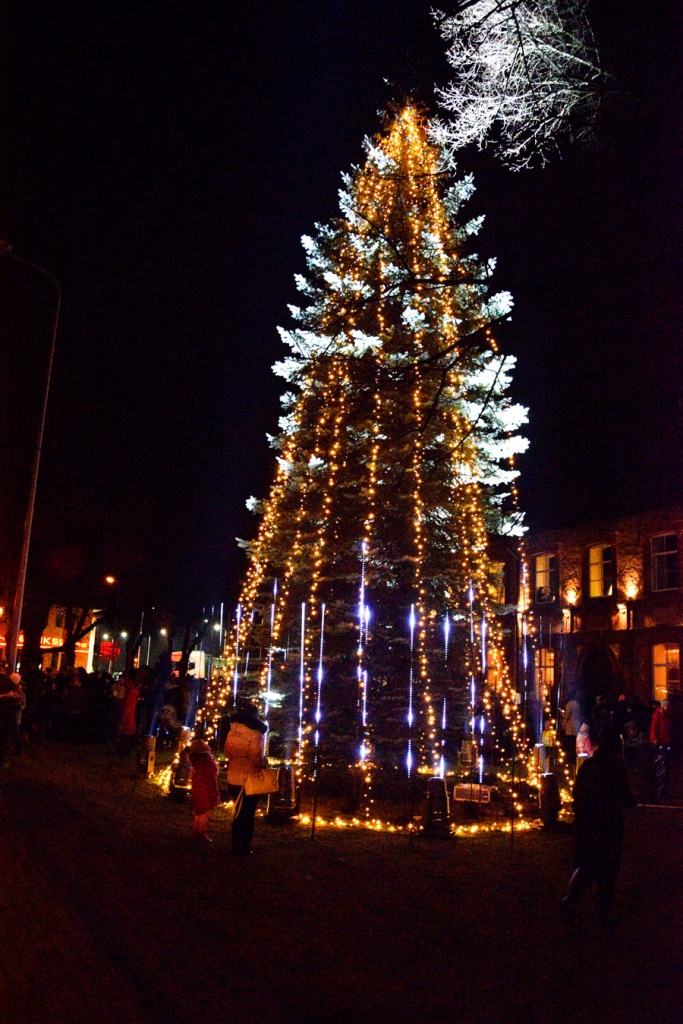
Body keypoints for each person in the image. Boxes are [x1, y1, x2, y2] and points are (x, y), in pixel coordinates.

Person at [561, 727, 635, 930]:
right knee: (607, 872)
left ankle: (571, 900)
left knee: (587, 867)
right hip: (608, 826)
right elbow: (623, 796)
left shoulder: (588, 766)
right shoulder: (615, 768)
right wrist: (630, 802)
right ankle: (601, 913)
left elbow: (578, 796)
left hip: (588, 825)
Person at [224, 700, 268, 855]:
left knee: (238, 813)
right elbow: (256, 758)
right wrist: (263, 761)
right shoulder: (255, 735)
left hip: (233, 777)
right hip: (248, 779)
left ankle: (236, 843)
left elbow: (227, 752)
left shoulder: (232, 731)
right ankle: (244, 846)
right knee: (248, 815)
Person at [187, 738, 221, 842]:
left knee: (198, 812)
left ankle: (196, 830)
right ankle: (201, 833)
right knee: (203, 814)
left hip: (197, 789)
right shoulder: (208, 764)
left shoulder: (195, 763)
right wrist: (214, 794)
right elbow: (210, 781)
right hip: (206, 791)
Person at [650, 699, 673, 801]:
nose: (667, 708)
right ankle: (659, 792)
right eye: (666, 706)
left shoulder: (667, 715)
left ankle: (663, 790)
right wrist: (654, 739)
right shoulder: (658, 715)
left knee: (665, 767)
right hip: (661, 743)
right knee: (661, 767)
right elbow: (654, 728)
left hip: (666, 742)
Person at [117, 677, 139, 755]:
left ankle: (123, 750)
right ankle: (125, 750)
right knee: (127, 734)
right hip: (129, 717)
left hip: (127, 718)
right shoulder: (131, 695)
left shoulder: (130, 696)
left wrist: (123, 717)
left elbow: (127, 708)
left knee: (125, 734)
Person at [561, 693, 582, 766]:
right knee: (574, 745)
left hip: (570, 728)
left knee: (570, 745)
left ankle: (570, 760)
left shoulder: (570, 704)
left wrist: (562, 713)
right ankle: (574, 760)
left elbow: (567, 715)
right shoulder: (578, 704)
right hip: (576, 727)